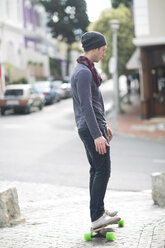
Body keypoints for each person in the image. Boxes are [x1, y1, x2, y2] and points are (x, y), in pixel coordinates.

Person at [71, 31, 120, 230]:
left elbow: (95, 103)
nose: (104, 54)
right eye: (103, 50)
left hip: (93, 126)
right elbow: (86, 107)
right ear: (95, 48)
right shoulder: (83, 72)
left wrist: (104, 124)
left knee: (95, 170)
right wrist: (97, 134)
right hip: (91, 129)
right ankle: (97, 217)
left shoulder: (85, 70)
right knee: (103, 170)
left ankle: (98, 213)